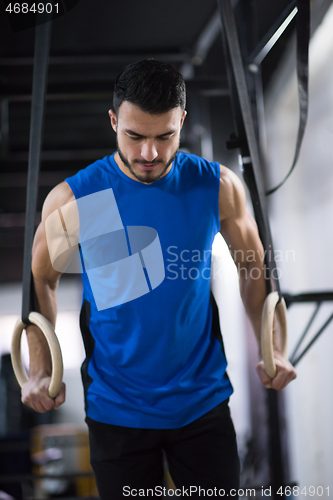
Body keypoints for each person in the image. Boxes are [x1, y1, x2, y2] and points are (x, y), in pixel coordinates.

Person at [22, 59, 297, 499]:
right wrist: (40, 370)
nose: (149, 153)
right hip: (117, 407)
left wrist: (273, 348)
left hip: (201, 401)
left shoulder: (216, 187)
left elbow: (253, 264)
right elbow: (42, 281)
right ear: (114, 121)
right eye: (135, 136)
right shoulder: (79, 200)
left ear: (182, 122)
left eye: (164, 136)